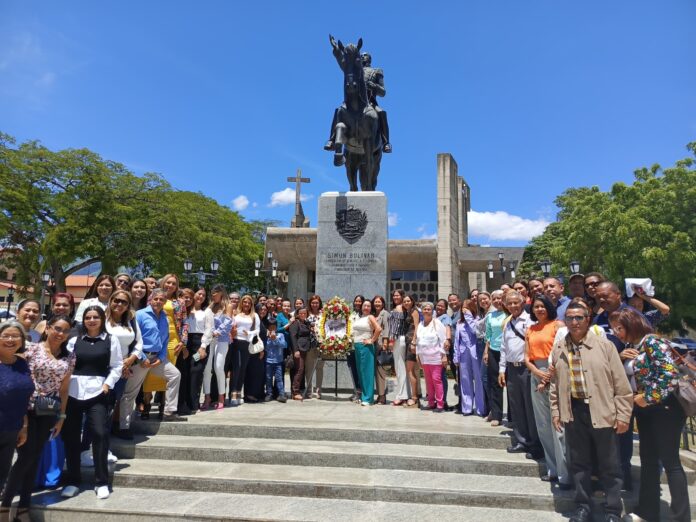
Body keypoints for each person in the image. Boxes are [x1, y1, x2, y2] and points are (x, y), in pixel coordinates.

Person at [550, 302, 633, 522]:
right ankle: (583, 507)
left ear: (588, 319)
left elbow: (621, 384)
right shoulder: (559, 347)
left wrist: (624, 415)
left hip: (602, 410)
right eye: (570, 318)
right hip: (574, 411)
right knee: (579, 464)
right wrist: (556, 411)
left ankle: (613, 510)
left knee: (609, 465)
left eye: (579, 317)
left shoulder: (604, 346)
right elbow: (555, 384)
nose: (574, 322)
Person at [610, 307, 690, 522]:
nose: (616, 332)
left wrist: (649, 396)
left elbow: (669, 373)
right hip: (645, 411)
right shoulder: (634, 346)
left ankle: (680, 516)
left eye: (619, 327)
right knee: (648, 460)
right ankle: (648, 511)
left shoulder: (653, 342)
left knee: (671, 462)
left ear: (631, 324)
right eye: (613, 328)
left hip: (666, 409)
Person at [1, 316, 75, 517]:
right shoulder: (32, 349)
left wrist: (61, 416)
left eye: (65, 331)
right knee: (25, 457)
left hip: (49, 410)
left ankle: (24, 507)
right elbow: (15, 371)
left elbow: (64, 389)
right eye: (57, 328)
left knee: (34, 457)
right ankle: (5, 504)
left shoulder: (69, 357)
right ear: (48, 328)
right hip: (27, 409)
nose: (60, 333)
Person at [61, 306, 122, 500]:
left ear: (102, 319)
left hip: (98, 392)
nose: (92, 320)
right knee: (71, 437)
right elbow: (65, 364)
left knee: (100, 433)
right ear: (83, 320)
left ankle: (101, 481)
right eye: (88, 317)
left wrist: (108, 384)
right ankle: (72, 480)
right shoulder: (73, 341)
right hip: (74, 392)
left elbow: (117, 366)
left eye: (96, 317)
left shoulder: (111, 341)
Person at [119, 288, 185, 436]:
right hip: (139, 358)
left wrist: (161, 358)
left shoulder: (165, 318)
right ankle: (124, 426)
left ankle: (169, 411)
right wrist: (141, 357)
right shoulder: (140, 315)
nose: (158, 302)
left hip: (157, 358)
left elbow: (165, 339)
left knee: (175, 375)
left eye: (162, 299)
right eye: (156, 299)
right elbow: (135, 338)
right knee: (130, 393)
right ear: (151, 299)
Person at [525, 295, 570, 488]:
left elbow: (561, 352)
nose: (539, 309)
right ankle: (552, 468)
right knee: (542, 424)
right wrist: (536, 372)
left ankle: (565, 473)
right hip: (536, 373)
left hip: (555, 374)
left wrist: (548, 375)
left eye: (543, 306)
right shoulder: (531, 329)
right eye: (536, 307)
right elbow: (526, 356)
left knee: (558, 425)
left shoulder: (558, 325)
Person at [498, 291, 541, 457]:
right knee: (516, 407)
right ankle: (521, 441)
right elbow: (504, 347)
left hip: (527, 368)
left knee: (530, 407)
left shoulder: (531, 320)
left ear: (523, 303)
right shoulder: (508, 323)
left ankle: (535, 444)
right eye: (510, 303)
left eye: (516, 302)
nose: (513, 306)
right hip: (512, 368)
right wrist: (502, 370)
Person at [0, 321, 34, 518]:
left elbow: (23, 397)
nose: (11, 340)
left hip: (12, 429)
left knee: (2, 474)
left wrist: (24, 426)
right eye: (6, 335)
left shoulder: (22, 364)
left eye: (15, 336)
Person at [142, 274, 188, 418]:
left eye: (173, 283)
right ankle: (146, 406)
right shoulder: (152, 297)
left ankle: (164, 407)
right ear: (163, 283)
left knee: (167, 376)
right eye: (168, 282)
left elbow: (185, 322)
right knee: (149, 375)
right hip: (154, 339)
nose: (170, 285)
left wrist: (183, 341)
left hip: (173, 341)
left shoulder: (179, 302)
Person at [105, 291, 142, 441]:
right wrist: (120, 363)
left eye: (124, 302)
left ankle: (111, 431)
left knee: (115, 401)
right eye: (117, 300)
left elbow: (139, 342)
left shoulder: (131, 320)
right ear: (111, 300)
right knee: (103, 405)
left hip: (124, 368)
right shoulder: (102, 319)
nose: (119, 304)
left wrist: (132, 359)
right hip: (105, 367)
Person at [201, 285, 233, 410]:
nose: (212, 295)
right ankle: (207, 397)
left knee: (219, 367)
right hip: (209, 340)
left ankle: (221, 397)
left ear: (221, 293)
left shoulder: (227, 306)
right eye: (212, 293)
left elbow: (228, 322)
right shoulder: (210, 307)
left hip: (222, 340)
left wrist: (218, 331)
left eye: (215, 293)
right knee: (207, 369)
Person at [454, 299, 486, 416]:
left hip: (476, 352)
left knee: (478, 380)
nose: (464, 310)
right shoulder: (459, 323)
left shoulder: (478, 320)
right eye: (463, 308)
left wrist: (468, 316)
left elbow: (475, 331)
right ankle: (467, 407)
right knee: (465, 380)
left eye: (466, 308)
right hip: (463, 353)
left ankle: (480, 408)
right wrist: (456, 357)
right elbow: (457, 340)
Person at [416, 302, 447, 412]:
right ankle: (431, 402)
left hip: (436, 357)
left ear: (432, 311)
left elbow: (443, 340)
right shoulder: (420, 324)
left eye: (429, 309)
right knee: (428, 381)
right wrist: (418, 355)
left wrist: (444, 356)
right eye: (424, 309)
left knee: (436, 380)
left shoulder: (437, 323)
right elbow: (418, 341)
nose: (426, 311)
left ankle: (440, 404)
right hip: (424, 357)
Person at [351, 299, 382, 406]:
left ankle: (368, 398)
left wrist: (372, 340)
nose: (366, 307)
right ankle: (364, 396)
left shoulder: (370, 317)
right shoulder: (360, 318)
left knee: (367, 372)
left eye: (368, 306)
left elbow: (378, 329)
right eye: (364, 305)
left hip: (366, 347)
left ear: (371, 308)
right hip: (357, 346)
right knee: (361, 372)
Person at [483, 290, 507, 426]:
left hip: (507, 352)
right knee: (494, 384)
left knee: (509, 384)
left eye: (500, 298)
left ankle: (513, 416)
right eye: (495, 298)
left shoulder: (509, 313)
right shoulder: (490, 316)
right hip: (493, 350)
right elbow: (488, 335)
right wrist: (486, 352)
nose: (498, 301)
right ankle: (496, 414)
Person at [229, 295, 259, 405]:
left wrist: (249, 333)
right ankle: (232, 393)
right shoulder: (235, 313)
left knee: (242, 368)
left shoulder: (254, 315)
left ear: (251, 305)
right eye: (245, 302)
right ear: (242, 303)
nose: (246, 304)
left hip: (246, 343)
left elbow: (257, 330)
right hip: (236, 342)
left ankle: (238, 392)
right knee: (236, 367)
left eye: (249, 303)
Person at [185, 288, 211, 413]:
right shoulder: (184, 310)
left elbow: (209, 330)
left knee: (196, 371)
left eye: (204, 295)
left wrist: (203, 347)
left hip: (200, 344)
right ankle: (184, 403)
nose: (201, 296)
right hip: (186, 343)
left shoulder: (207, 312)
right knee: (186, 372)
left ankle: (194, 404)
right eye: (199, 293)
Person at [388, 290, 410, 406]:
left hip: (398, 339)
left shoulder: (398, 309)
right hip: (401, 339)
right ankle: (405, 395)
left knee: (400, 368)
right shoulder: (403, 309)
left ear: (402, 296)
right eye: (394, 295)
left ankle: (402, 396)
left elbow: (395, 327)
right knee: (402, 368)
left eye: (398, 295)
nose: (395, 297)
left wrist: (391, 340)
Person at [244, 302, 266, 403]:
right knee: (253, 373)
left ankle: (256, 394)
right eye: (261, 309)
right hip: (255, 351)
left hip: (258, 351)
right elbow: (254, 336)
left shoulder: (261, 321)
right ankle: (250, 395)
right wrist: (261, 350)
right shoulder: (254, 319)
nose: (263, 311)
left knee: (258, 373)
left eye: (265, 310)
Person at [403, 294, 422, 407]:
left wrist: (414, 342)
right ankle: (415, 396)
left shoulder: (414, 311)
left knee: (410, 370)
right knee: (411, 370)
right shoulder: (409, 311)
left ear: (412, 301)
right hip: (408, 341)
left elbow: (416, 326)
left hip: (411, 342)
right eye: (404, 301)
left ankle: (414, 397)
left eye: (408, 301)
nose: (406, 303)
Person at [289, 307, 312, 401]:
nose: (303, 315)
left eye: (305, 313)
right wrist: (295, 350)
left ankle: (296, 390)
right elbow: (293, 336)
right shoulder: (295, 323)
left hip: (305, 349)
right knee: (299, 369)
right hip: (299, 349)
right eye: (301, 313)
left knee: (301, 370)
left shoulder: (306, 323)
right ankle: (295, 392)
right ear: (297, 314)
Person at [304, 295, 324, 400]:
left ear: (319, 303)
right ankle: (309, 390)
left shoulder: (323, 314)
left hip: (321, 344)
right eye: (313, 303)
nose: (315, 304)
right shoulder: (306, 313)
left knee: (320, 367)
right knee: (309, 368)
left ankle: (319, 389)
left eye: (316, 302)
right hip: (309, 344)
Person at [435, 299, 453, 408]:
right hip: (434, 350)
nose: (439, 308)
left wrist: (448, 340)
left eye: (442, 306)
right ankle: (438, 399)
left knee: (441, 376)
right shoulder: (435, 317)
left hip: (442, 350)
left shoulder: (445, 317)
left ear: (446, 308)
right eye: (438, 305)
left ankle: (443, 401)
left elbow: (447, 330)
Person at [372, 295, 390, 405]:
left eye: (379, 302)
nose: (377, 304)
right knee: (374, 371)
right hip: (372, 345)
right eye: (375, 302)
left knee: (380, 371)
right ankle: (378, 394)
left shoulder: (385, 314)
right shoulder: (373, 315)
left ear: (383, 303)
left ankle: (382, 396)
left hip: (380, 344)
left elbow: (387, 328)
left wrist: (385, 343)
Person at [264, 317, 287, 403]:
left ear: (276, 327)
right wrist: (270, 339)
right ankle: (269, 394)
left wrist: (275, 339)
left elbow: (284, 345)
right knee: (268, 378)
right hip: (268, 361)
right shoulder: (266, 336)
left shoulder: (281, 335)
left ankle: (281, 394)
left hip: (278, 361)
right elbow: (265, 347)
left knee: (279, 378)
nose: (272, 329)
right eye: (270, 327)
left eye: (274, 327)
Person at [347, 296, 365, 401]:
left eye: (360, 301)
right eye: (356, 301)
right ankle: (356, 391)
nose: (358, 303)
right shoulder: (350, 314)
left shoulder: (365, 315)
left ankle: (363, 392)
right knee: (353, 369)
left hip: (361, 345)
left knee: (361, 369)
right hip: (350, 346)